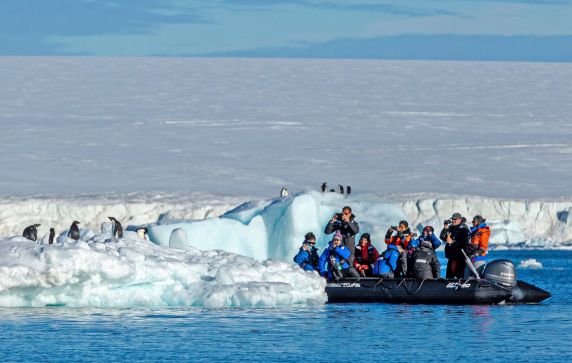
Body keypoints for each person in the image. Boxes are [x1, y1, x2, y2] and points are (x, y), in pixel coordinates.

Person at [440, 212, 470, 278]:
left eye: (455, 219)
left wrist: (453, 242)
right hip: (451, 256)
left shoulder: (464, 228)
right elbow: (442, 237)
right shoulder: (451, 228)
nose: (453, 221)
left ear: (460, 219)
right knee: (449, 276)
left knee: (459, 275)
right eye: (452, 219)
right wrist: (445, 228)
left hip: (460, 256)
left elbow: (465, 241)